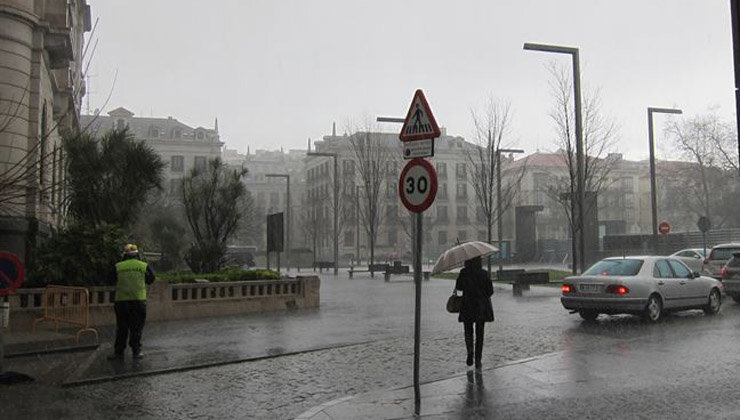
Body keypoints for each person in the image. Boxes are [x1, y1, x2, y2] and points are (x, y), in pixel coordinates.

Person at [107, 244, 155, 361]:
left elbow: (110, 279)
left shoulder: (118, 266)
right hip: (138, 302)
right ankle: (136, 351)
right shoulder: (143, 266)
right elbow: (151, 279)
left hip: (121, 302)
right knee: (136, 328)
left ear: (124, 255)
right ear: (137, 254)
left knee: (122, 328)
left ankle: (118, 352)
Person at [455, 256, 494, 369]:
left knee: (468, 331)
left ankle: (470, 352)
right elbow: (490, 291)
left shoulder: (464, 273)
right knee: (480, 333)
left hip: (467, 305)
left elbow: (459, 287)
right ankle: (478, 358)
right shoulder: (484, 273)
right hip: (480, 307)